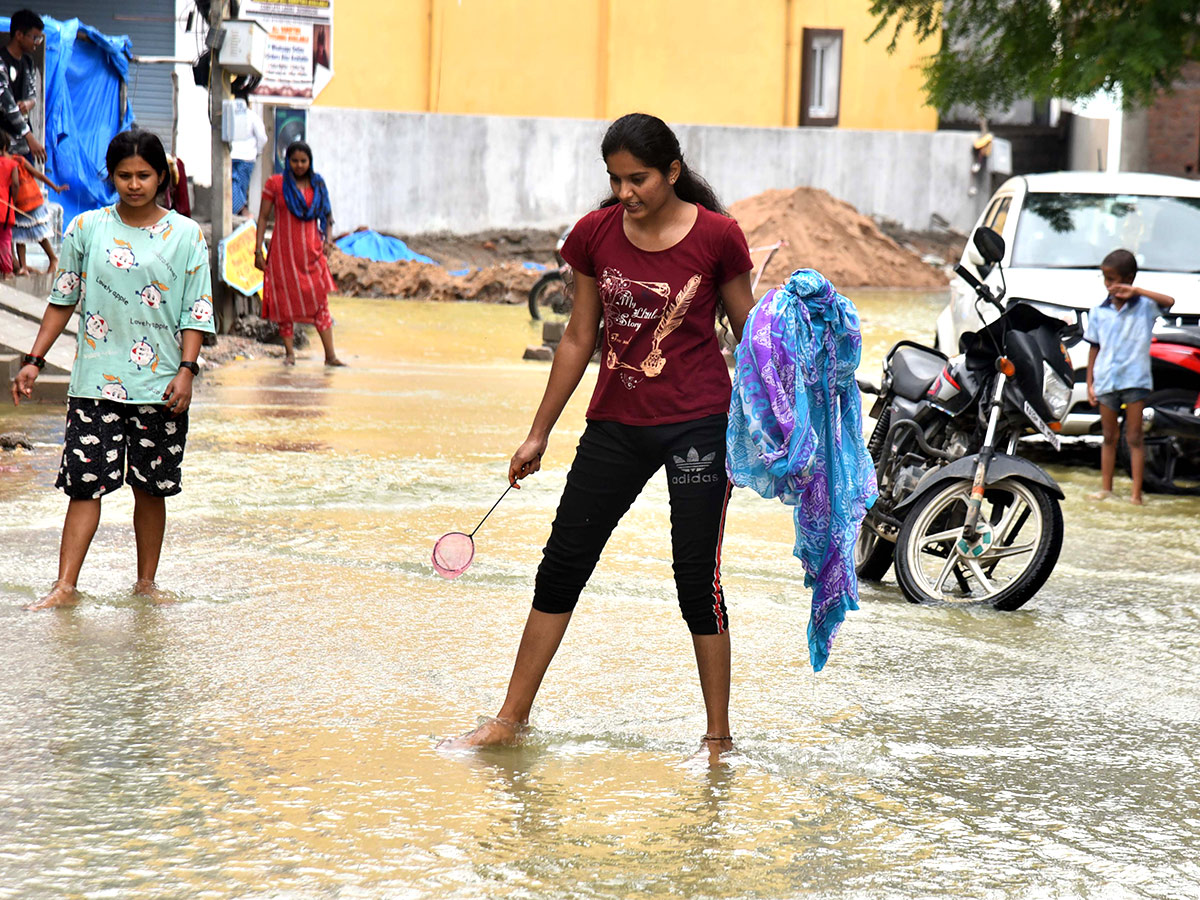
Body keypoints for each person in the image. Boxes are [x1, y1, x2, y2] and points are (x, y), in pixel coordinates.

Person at [442, 113, 756, 761]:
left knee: (697, 578)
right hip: (614, 423)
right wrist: (538, 434)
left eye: (636, 179)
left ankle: (718, 740)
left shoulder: (720, 238)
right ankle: (509, 720)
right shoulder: (593, 235)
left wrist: (795, 406)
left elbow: (752, 335)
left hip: (699, 423)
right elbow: (579, 338)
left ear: (672, 171)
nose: (623, 193)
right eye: (613, 179)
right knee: (561, 567)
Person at [9, 129, 215, 610]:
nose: (134, 184)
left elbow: (196, 311)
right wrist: (34, 362)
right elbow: (63, 300)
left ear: (161, 176)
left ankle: (146, 584)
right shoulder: (85, 229)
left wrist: (187, 370)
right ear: (112, 177)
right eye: (124, 175)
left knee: (151, 488)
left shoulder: (186, 236)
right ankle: (64, 586)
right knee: (83, 487)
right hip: (94, 383)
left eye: (144, 175)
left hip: (161, 385)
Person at [1085, 248, 1174, 505]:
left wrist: (1137, 291)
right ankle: (1106, 488)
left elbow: (1169, 302)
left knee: (1135, 437)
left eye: (1113, 279)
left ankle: (1136, 495)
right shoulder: (1099, 312)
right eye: (1106, 279)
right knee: (1109, 437)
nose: (1108, 285)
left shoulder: (1145, 306)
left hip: (1135, 380)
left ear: (1129, 277)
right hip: (1106, 381)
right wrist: (1090, 383)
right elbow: (1094, 347)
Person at [253, 139, 344, 366]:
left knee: (320, 301)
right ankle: (289, 354)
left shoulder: (318, 185)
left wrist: (328, 241)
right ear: (287, 161)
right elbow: (263, 217)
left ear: (310, 162)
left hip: (311, 253)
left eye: (303, 161)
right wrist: (257, 251)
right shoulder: (276, 184)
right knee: (284, 304)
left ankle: (330, 356)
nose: (299, 165)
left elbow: (328, 217)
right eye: (294, 161)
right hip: (283, 255)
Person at [11, 141, 67, 274]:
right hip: (18, 205)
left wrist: (55, 187)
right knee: (19, 236)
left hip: (32, 201)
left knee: (40, 233)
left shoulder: (19, 160)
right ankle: (23, 266)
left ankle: (53, 258)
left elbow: (38, 175)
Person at [0, 9, 45, 162]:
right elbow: (7, 103)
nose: (37, 43)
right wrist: (30, 137)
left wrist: (28, 103)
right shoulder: (1, 61)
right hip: (4, 145)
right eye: (35, 37)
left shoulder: (28, 62)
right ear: (19, 35)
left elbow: (33, 95)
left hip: (24, 147)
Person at [230, 92, 267, 216]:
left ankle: (240, 212)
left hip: (232, 156)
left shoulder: (229, 115)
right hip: (247, 158)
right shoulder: (252, 116)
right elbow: (262, 137)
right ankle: (242, 212)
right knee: (239, 187)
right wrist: (258, 151)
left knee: (234, 186)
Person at [0, 141, 18, 276]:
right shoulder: (12, 164)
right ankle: (7, 271)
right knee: (5, 239)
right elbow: (16, 184)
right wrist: (14, 202)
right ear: (5, 147)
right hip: (5, 206)